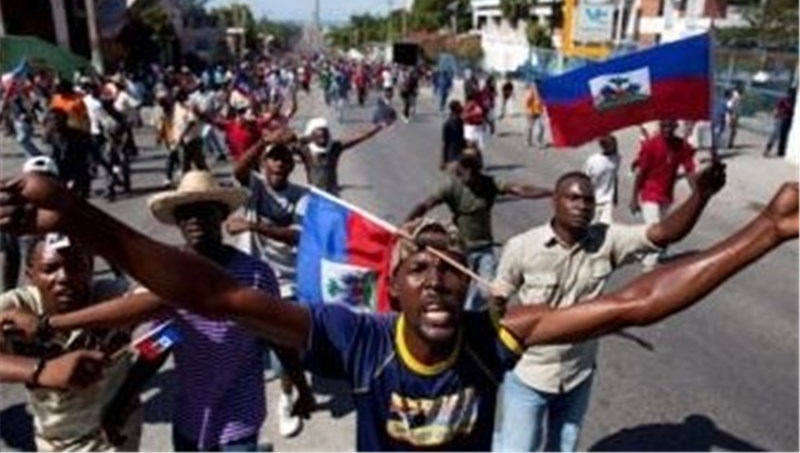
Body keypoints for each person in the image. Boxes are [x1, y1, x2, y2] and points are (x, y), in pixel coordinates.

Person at [1, 173, 796, 452]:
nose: (438, 277)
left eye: (451, 265)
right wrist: (81, 215)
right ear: (394, 291)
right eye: (418, 264)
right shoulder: (356, 338)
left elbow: (635, 301)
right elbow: (208, 292)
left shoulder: (498, 335)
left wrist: (767, 229)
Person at [3, 171, 313, 451]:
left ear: (220, 216)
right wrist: (123, 400)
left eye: (203, 213)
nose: (194, 221)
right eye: (185, 214)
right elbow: (161, 342)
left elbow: (278, 338)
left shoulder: (255, 274)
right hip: (192, 416)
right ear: (177, 223)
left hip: (240, 411)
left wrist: (300, 385)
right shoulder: (166, 278)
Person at [492, 163, 726, 452]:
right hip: (529, 374)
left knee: (563, 448)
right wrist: (498, 306)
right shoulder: (521, 247)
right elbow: (497, 305)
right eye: (573, 198)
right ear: (555, 202)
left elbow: (664, 233)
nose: (581, 206)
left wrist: (700, 196)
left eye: (588, 200)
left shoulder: (607, 239)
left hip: (578, 374)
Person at [0, 232, 162, 451]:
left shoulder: (114, 296)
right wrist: (42, 370)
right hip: (57, 441)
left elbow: (165, 333)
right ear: (31, 276)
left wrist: (126, 397)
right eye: (50, 269)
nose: (65, 277)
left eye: (76, 266)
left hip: (116, 431)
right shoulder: (15, 307)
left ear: (91, 269)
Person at [228, 134, 316, 438]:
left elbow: (298, 236)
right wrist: (264, 139)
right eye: (272, 157)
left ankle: (285, 399)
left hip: (286, 280)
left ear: (291, 164)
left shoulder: (301, 195)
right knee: (238, 347)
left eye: (283, 158)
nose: (278, 163)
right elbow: (238, 170)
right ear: (263, 163)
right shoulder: (254, 186)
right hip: (249, 278)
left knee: (284, 353)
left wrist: (253, 226)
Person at [406, 147, 551, 310]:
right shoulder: (451, 187)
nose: (468, 172)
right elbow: (426, 204)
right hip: (460, 249)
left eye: (472, 167)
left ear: (479, 167)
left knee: (485, 290)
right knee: (458, 288)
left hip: (484, 249)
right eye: (465, 167)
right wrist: (407, 224)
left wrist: (551, 192)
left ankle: (470, 317)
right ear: (459, 167)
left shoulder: (489, 183)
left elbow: (519, 189)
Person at [630, 120, 696, 270]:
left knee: (661, 227)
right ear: (659, 127)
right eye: (663, 126)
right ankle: (649, 267)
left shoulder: (682, 146)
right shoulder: (651, 145)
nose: (666, 129)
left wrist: (696, 193)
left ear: (675, 127)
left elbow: (689, 170)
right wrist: (634, 198)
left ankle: (643, 249)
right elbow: (641, 173)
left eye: (669, 126)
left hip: (666, 195)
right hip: (649, 193)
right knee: (656, 229)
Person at [296, 117, 391, 196]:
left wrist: (379, 127)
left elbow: (359, 137)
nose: (323, 139)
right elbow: (285, 144)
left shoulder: (335, 147)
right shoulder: (305, 151)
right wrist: (303, 139)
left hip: (332, 195)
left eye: (325, 135)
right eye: (319, 136)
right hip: (314, 194)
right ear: (311, 137)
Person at [583, 135, 620, 224]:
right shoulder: (593, 160)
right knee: (591, 226)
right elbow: (585, 181)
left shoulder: (616, 158)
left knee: (606, 227)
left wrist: (615, 194)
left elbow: (614, 176)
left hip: (608, 201)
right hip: (593, 200)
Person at [764, 87, 796, 158]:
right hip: (780, 118)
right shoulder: (784, 100)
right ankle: (768, 149)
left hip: (787, 120)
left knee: (783, 136)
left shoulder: (793, 102)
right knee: (775, 134)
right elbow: (777, 108)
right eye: (790, 94)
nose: (791, 95)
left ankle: (781, 151)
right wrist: (777, 114)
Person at [441, 100, 466, 171]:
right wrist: (443, 160)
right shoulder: (448, 124)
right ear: (456, 110)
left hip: (460, 153)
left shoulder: (460, 121)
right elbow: (446, 143)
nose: (461, 109)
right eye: (459, 107)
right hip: (453, 156)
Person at [524, 83, 546, 148]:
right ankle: (528, 140)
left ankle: (539, 141)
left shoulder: (542, 92)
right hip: (531, 112)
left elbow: (544, 101)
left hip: (539, 112)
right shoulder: (531, 92)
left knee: (542, 127)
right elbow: (527, 102)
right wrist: (529, 111)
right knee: (530, 127)